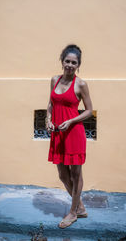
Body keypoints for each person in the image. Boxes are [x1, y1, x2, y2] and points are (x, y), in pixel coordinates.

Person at [46, 44, 93, 229]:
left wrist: (72, 121)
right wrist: (48, 119)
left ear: (78, 65)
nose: (70, 65)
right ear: (62, 61)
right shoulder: (54, 80)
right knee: (62, 174)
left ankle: (73, 212)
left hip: (74, 133)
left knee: (76, 173)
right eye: (67, 61)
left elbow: (89, 110)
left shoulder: (81, 84)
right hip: (57, 133)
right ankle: (79, 206)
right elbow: (50, 103)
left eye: (74, 62)